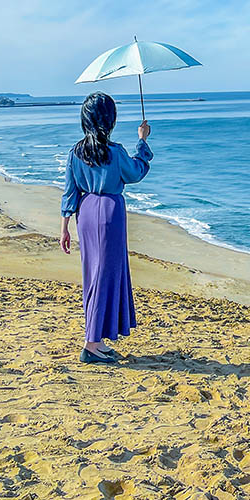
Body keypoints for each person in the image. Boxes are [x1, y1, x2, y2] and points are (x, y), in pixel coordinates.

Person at [59, 91, 152, 364]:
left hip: (85, 213)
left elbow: (69, 192)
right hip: (110, 212)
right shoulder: (115, 151)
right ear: (109, 120)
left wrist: (64, 226)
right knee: (106, 276)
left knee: (94, 275)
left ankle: (97, 338)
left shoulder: (75, 153)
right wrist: (143, 141)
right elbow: (135, 173)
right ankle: (92, 343)